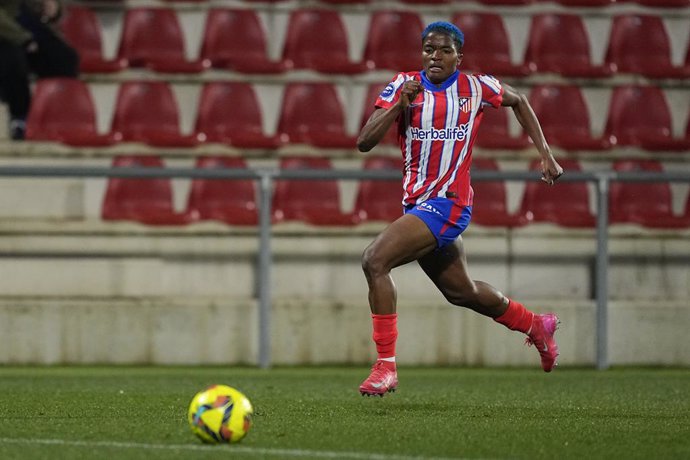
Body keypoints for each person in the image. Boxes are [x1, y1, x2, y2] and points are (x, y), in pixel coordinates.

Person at [356, 21, 564, 397]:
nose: (435, 57)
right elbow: (365, 141)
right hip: (418, 204)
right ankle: (536, 325)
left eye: (444, 50)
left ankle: (386, 367)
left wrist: (546, 155)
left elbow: (520, 101)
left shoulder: (476, 86)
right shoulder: (404, 86)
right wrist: (398, 106)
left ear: (459, 56)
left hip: (450, 204)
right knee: (462, 292)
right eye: (429, 50)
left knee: (375, 260)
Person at [0, 0, 78, 140]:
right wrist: (23, 38)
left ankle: (58, 116)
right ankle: (20, 118)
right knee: (13, 60)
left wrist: (54, 8)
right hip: (6, 30)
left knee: (65, 57)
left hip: (22, 22)